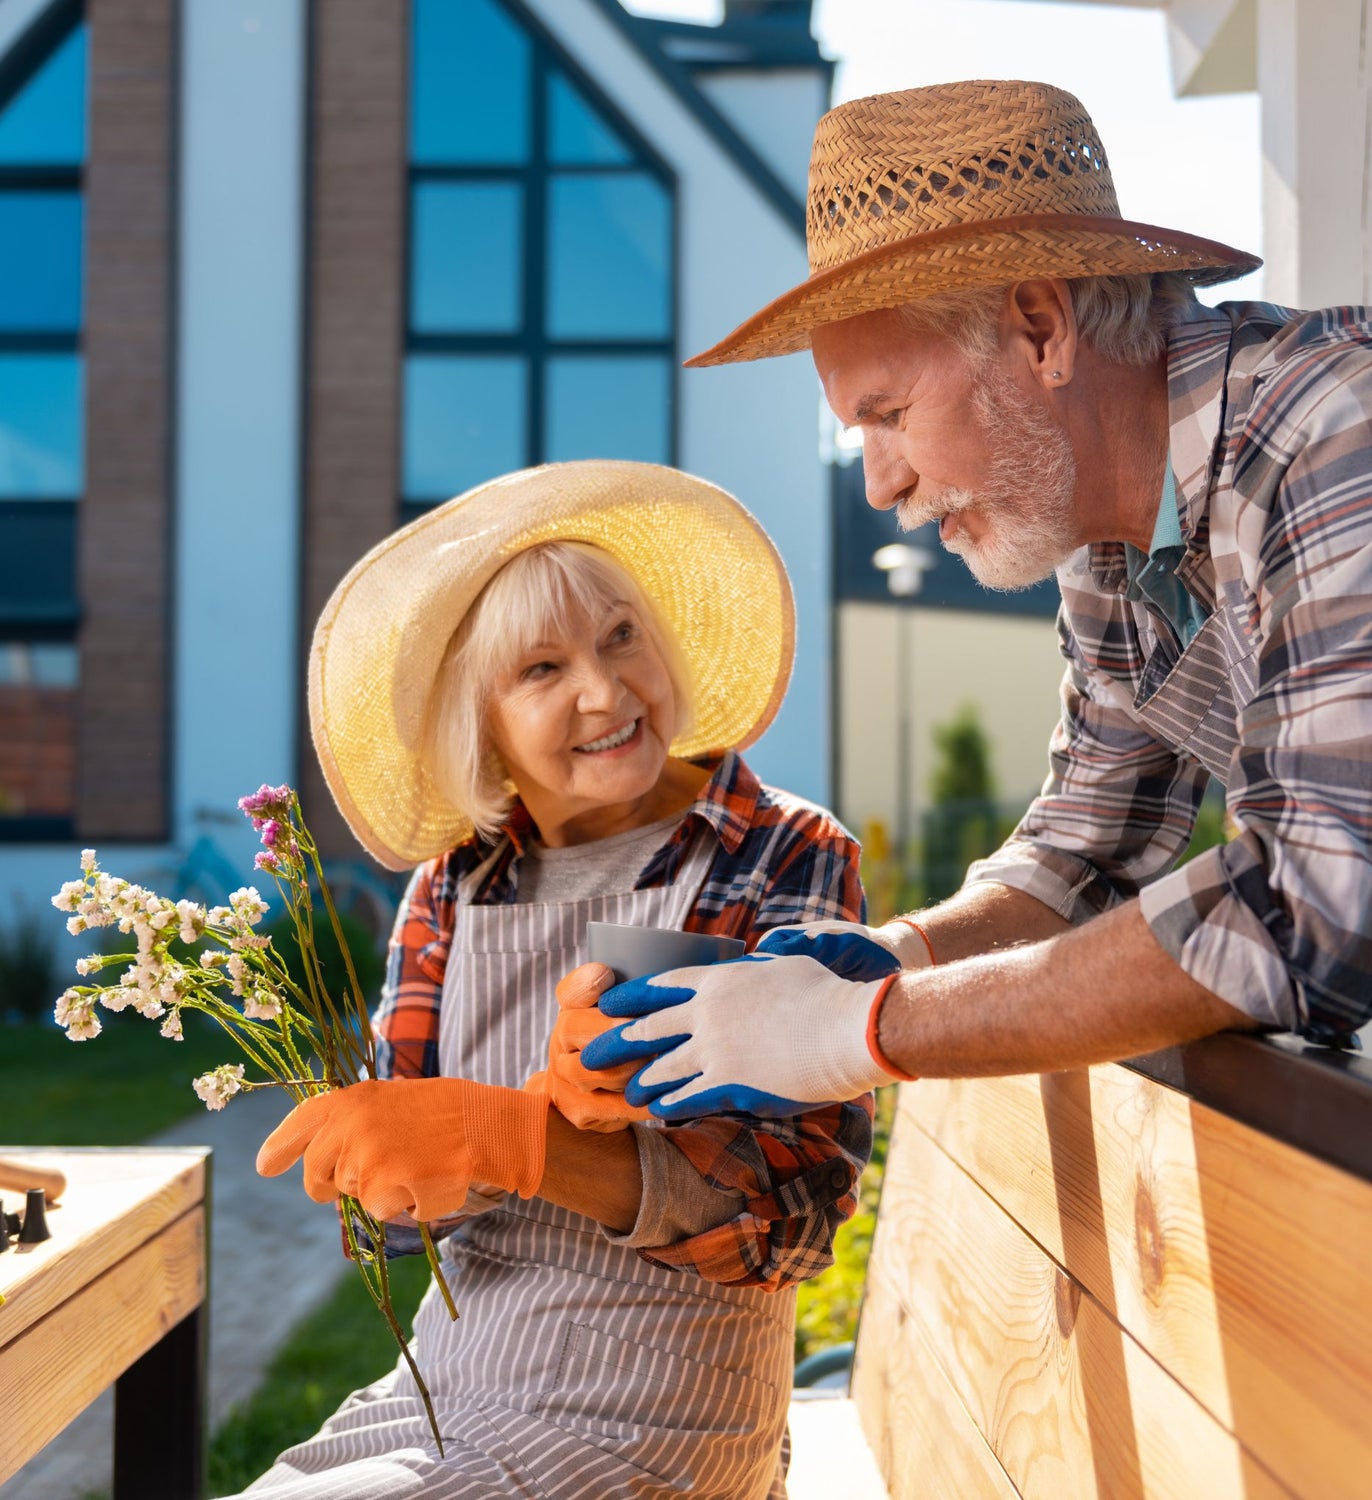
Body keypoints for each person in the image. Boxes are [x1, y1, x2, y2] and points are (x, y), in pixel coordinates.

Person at [575, 79, 1372, 1119]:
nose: (880, 485)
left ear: (1041, 327)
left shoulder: (1331, 433)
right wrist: (878, 958)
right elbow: (1081, 856)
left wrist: (860, 1032)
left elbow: (1310, 911)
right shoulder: (1107, 540)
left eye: (891, 414)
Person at [243, 460, 872, 1499]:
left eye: (621, 636)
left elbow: (794, 1218)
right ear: (477, 718)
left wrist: (520, 1140)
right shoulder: (455, 886)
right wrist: (407, 1150)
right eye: (542, 669)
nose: (605, 690)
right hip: (442, 1388)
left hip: (665, 1407)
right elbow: (397, 1232)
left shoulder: (780, 852)